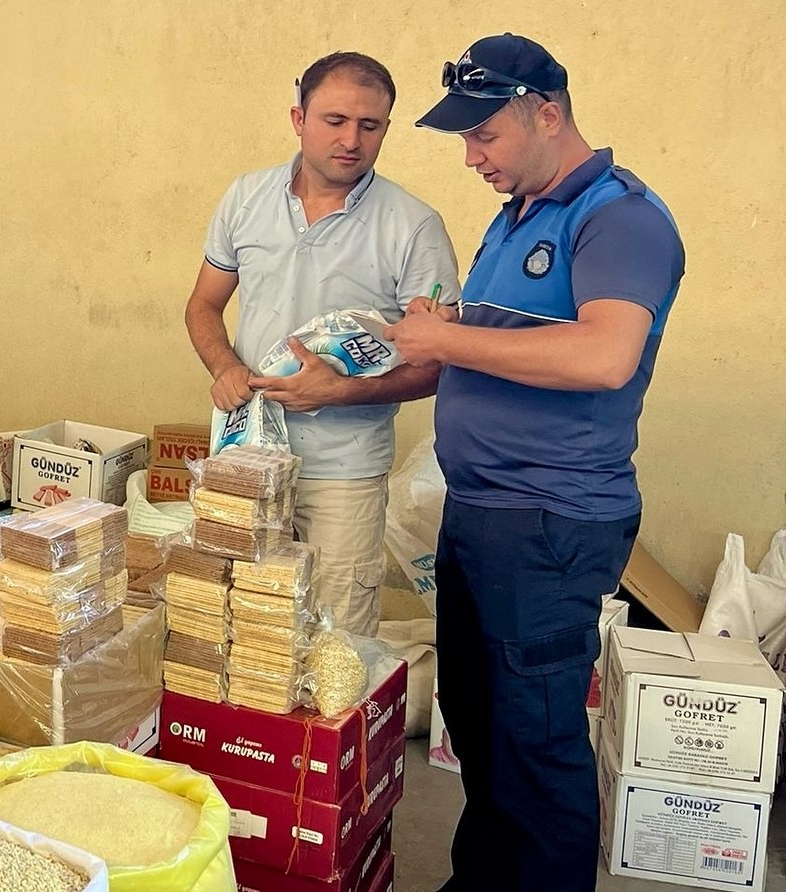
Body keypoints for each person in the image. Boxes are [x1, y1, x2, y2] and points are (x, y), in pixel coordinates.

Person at [387, 34, 685, 892]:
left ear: (545, 112)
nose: (472, 156)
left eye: (486, 135)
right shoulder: (518, 212)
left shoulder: (618, 218)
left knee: (538, 746)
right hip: (483, 512)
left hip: (550, 520)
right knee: (480, 731)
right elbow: (485, 347)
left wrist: (443, 336)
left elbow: (604, 357)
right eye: (465, 140)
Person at [184, 52, 461, 636]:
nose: (352, 140)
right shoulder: (245, 198)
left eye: (370, 125)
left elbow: (438, 364)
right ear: (298, 119)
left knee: (337, 646)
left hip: (344, 472)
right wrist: (224, 365)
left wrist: (337, 392)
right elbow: (203, 305)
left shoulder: (413, 226)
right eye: (334, 120)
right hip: (248, 457)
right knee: (244, 632)